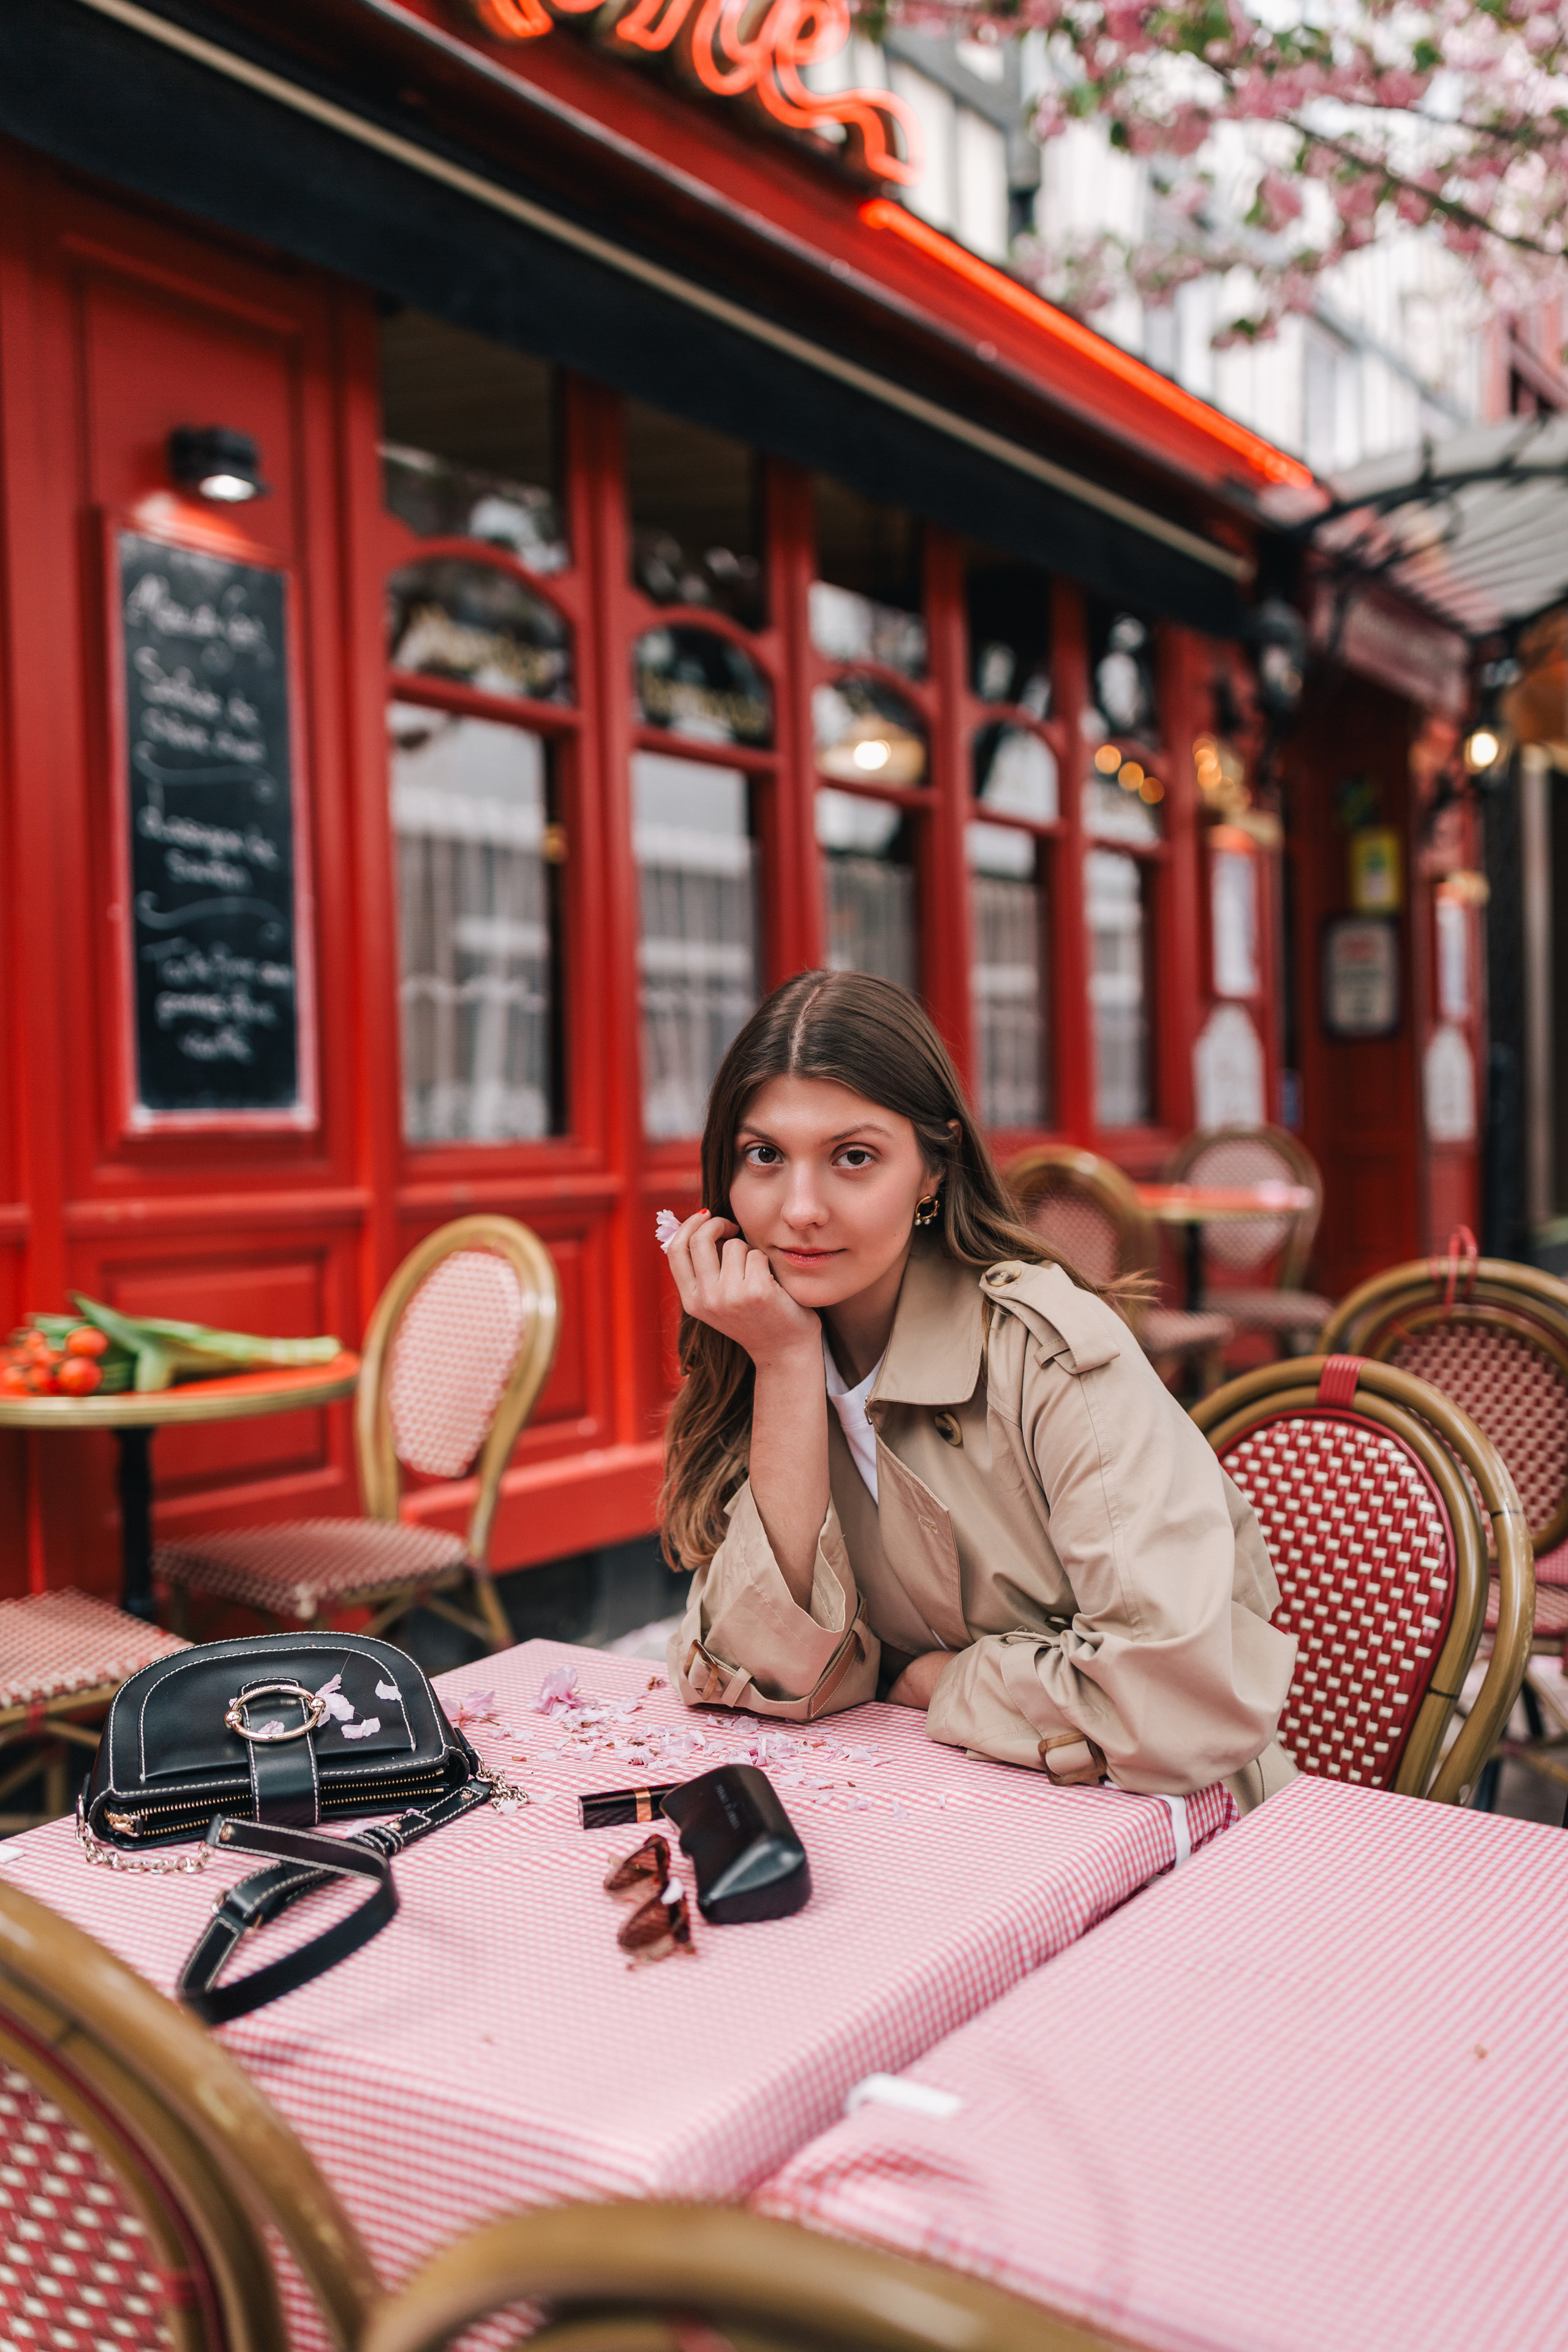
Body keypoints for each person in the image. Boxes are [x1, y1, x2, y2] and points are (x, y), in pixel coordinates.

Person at [661, 970, 1297, 1813]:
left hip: (1163, 1826)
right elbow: (769, 1675)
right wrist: (781, 1365)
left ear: (933, 1170)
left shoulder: (1047, 1357)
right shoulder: (771, 1341)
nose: (799, 1208)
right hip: (949, 1814)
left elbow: (1174, 1708)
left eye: (854, 1157)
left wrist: (941, 1683)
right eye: (765, 1155)